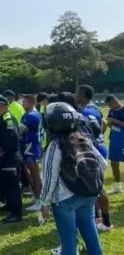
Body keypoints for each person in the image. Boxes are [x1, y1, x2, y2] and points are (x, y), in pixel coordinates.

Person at [40, 102, 104, 255]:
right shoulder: (84, 140)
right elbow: (102, 163)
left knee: (68, 242)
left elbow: (50, 178)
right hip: (88, 194)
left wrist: (43, 202)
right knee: (91, 237)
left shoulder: (55, 145)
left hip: (64, 199)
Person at [57, 91, 114, 232]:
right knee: (96, 187)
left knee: (90, 188)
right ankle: (102, 219)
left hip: (85, 153)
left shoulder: (71, 117)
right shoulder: (86, 112)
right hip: (95, 149)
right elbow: (99, 127)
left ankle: (98, 221)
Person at [0, 95, 22, 223]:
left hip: (9, 158)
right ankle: (9, 206)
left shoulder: (8, 119)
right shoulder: (1, 118)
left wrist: (3, 150)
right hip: (2, 159)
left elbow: (13, 138)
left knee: (12, 186)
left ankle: (16, 213)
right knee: (6, 184)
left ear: (3, 105)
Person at [19, 94, 43, 211]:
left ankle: (40, 200)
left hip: (31, 147)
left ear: (30, 103)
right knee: (31, 173)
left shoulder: (31, 116)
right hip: (29, 146)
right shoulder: (30, 114)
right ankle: (37, 197)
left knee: (35, 174)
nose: (22, 104)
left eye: (24, 102)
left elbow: (19, 131)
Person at [105, 94, 124, 194]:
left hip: (123, 140)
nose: (109, 107)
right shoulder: (111, 111)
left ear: (115, 101)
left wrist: (114, 120)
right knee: (114, 163)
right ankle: (117, 186)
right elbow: (109, 125)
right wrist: (109, 122)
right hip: (114, 139)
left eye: (110, 105)